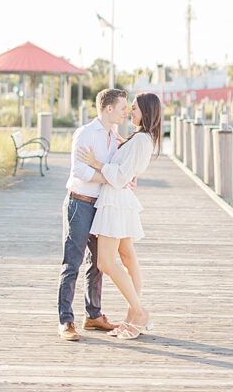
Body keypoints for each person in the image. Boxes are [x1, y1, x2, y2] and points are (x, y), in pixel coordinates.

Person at [77, 91, 162, 340]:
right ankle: (132, 316)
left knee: (105, 262)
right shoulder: (141, 138)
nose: (130, 112)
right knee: (126, 256)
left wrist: (96, 162)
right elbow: (127, 170)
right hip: (119, 200)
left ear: (146, 111)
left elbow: (122, 176)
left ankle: (138, 312)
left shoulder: (141, 140)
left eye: (134, 108)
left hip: (115, 201)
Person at [57, 88, 128, 341]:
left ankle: (93, 315)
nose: (125, 111)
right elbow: (79, 172)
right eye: (122, 107)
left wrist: (115, 176)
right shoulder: (85, 134)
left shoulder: (115, 136)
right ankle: (66, 321)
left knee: (98, 263)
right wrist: (110, 178)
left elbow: (118, 170)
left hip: (102, 205)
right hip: (79, 204)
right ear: (108, 108)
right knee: (72, 263)